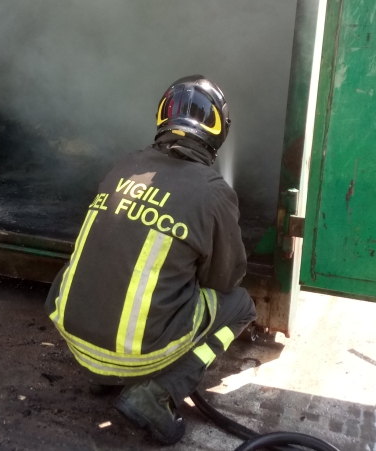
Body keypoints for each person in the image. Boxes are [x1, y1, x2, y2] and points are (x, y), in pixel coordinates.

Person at [45, 75, 257, 445]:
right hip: (135, 353)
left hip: (72, 334)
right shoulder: (213, 192)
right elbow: (225, 281)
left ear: (163, 118)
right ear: (218, 131)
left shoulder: (124, 166)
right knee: (240, 306)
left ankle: (102, 378)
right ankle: (157, 392)